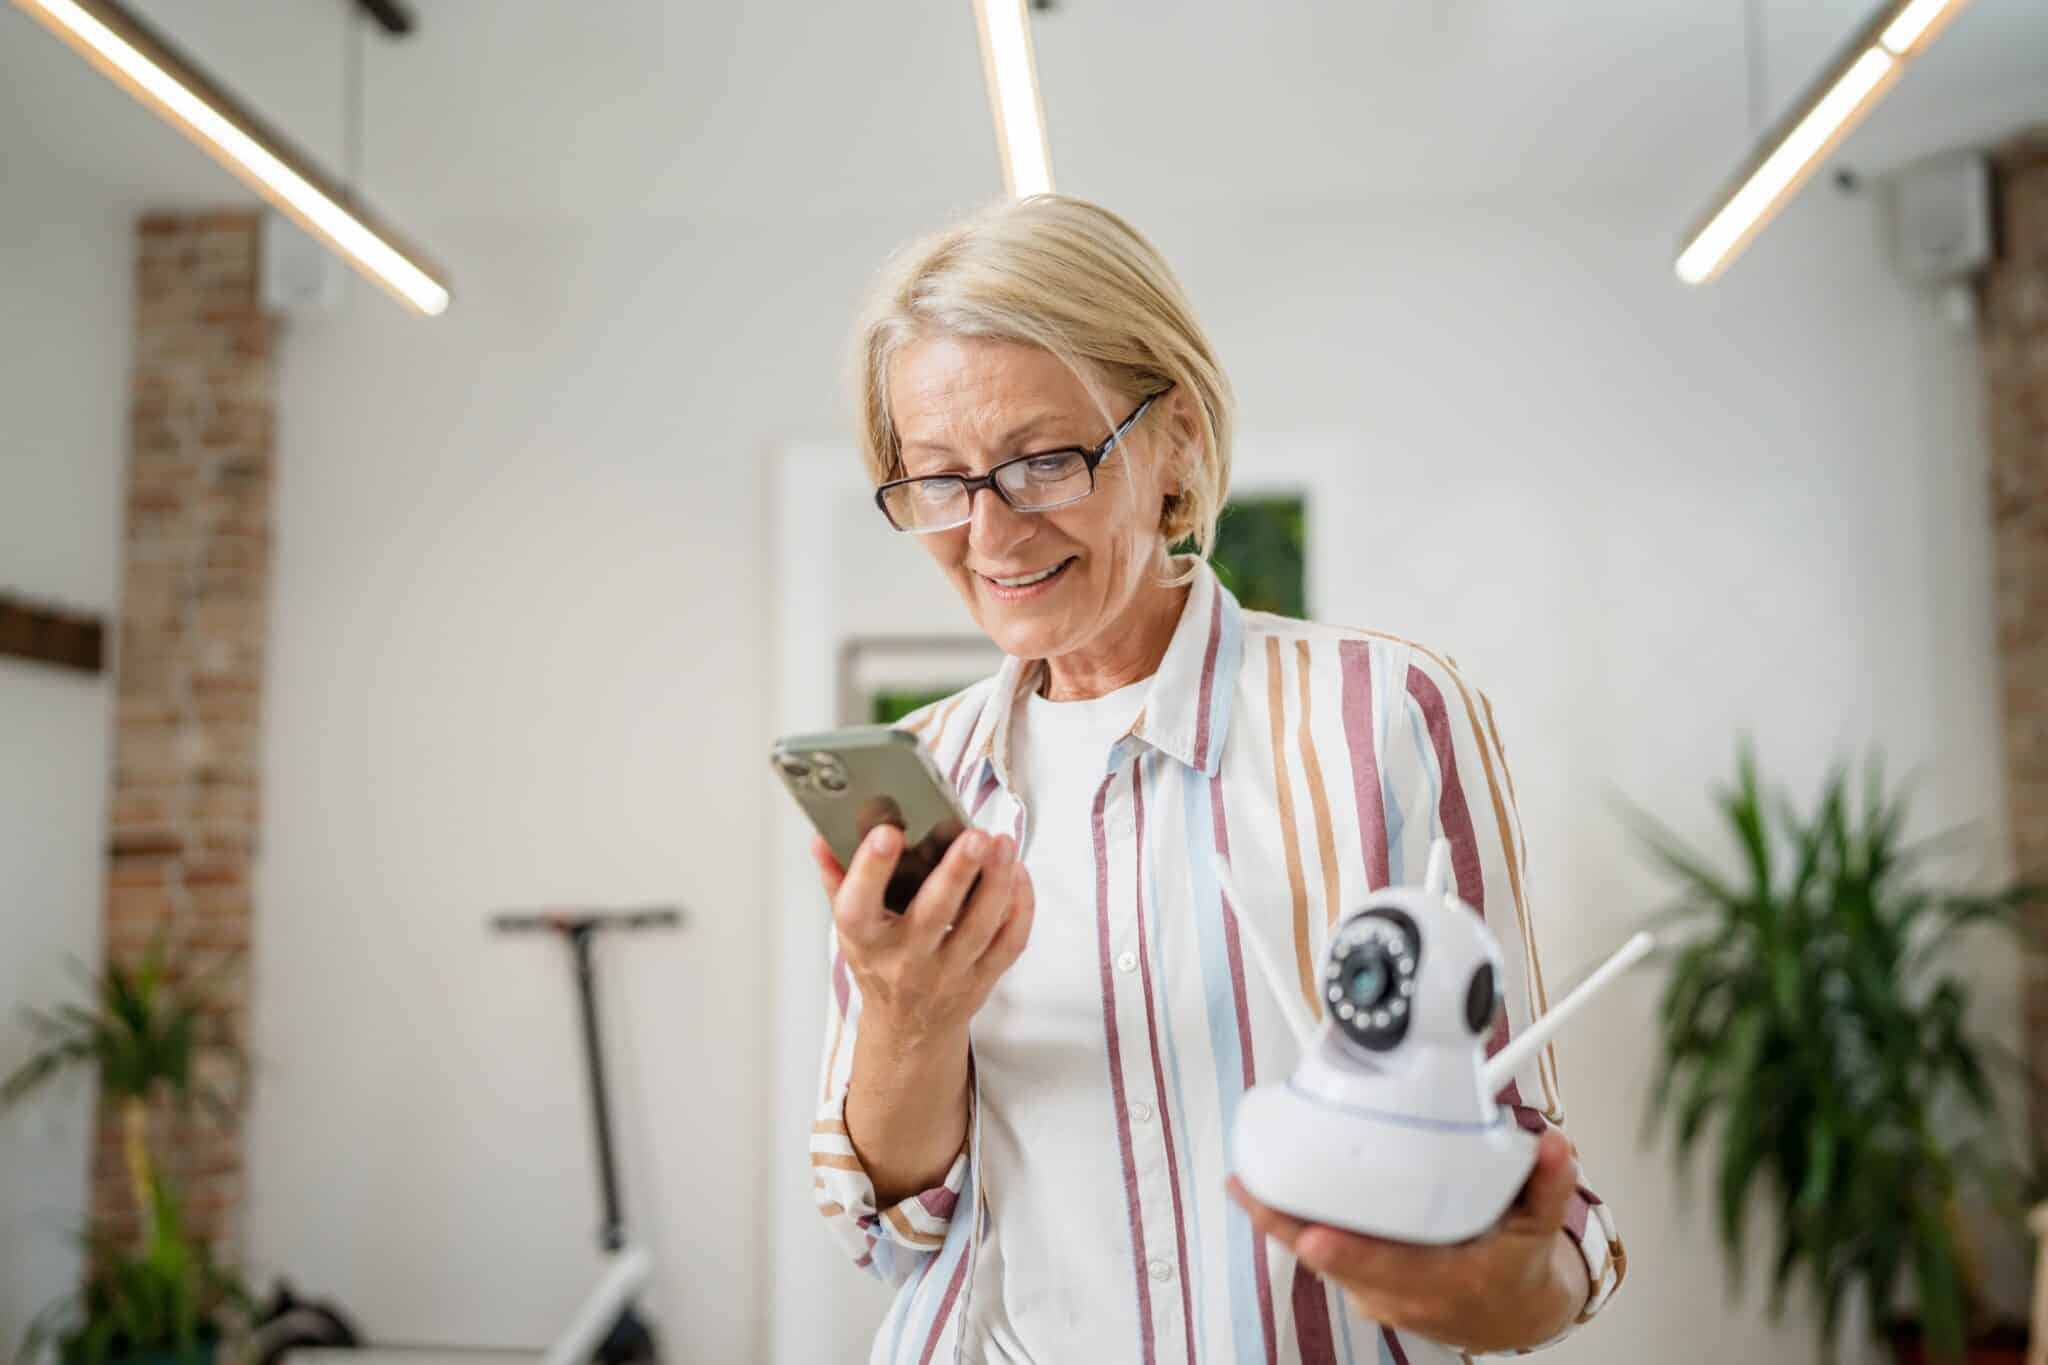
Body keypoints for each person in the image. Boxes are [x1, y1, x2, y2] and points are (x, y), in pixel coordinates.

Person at [806, 194, 1626, 1364]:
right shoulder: (929, 775)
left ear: (1174, 436)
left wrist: (1497, 1294)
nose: (987, 532)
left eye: (1042, 460)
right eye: (938, 480)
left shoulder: (1383, 716)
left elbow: (1518, 1177)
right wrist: (907, 1015)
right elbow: (889, 1233)